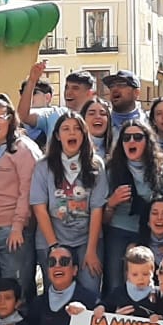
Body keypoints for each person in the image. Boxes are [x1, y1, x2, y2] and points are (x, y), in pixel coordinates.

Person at [31, 113, 107, 294]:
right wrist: (54, 247)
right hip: (51, 239)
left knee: (89, 292)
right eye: (66, 129)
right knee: (56, 293)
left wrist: (91, 250)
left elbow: (97, 208)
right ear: (57, 135)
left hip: (86, 240)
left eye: (77, 129)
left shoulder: (96, 165)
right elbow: (39, 207)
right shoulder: (44, 166)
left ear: (84, 134)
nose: (71, 133)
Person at [100, 117, 163, 289]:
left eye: (137, 137)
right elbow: (101, 216)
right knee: (115, 282)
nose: (131, 141)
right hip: (119, 231)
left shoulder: (162, 171)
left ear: (147, 141)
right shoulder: (112, 170)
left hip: (151, 235)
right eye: (126, 138)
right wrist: (112, 202)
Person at [0, 98, 38, 294]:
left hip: (12, 231)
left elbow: (27, 189)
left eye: (0, 118)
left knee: (15, 293)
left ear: (11, 120)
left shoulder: (23, 148)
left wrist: (18, 226)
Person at [17, 60, 96, 142]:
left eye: (75, 88)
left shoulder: (99, 118)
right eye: (66, 87)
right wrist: (32, 80)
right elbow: (24, 116)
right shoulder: (54, 114)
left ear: (90, 94)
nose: (68, 93)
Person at [102, 245, 163, 318]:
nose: (140, 278)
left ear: (153, 270)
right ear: (127, 273)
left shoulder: (160, 294)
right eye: (135, 274)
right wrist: (114, 315)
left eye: (145, 274)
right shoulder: (119, 292)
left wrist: (160, 318)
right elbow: (104, 309)